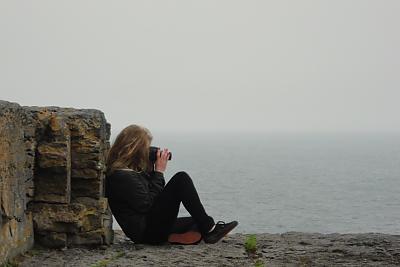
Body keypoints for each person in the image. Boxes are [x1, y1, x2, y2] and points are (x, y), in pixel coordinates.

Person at [105, 124, 238, 245]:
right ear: (136, 150)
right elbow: (147, 205)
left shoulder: (131, 171)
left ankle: (176, 236)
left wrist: (151, 170)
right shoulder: (121, 175)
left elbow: (150, 195)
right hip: (145, 233)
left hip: (149, 227)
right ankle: (210, 231)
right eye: (146, 147)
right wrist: (159, 172)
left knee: (197, 221)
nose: (148, 150)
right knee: (181, 179)